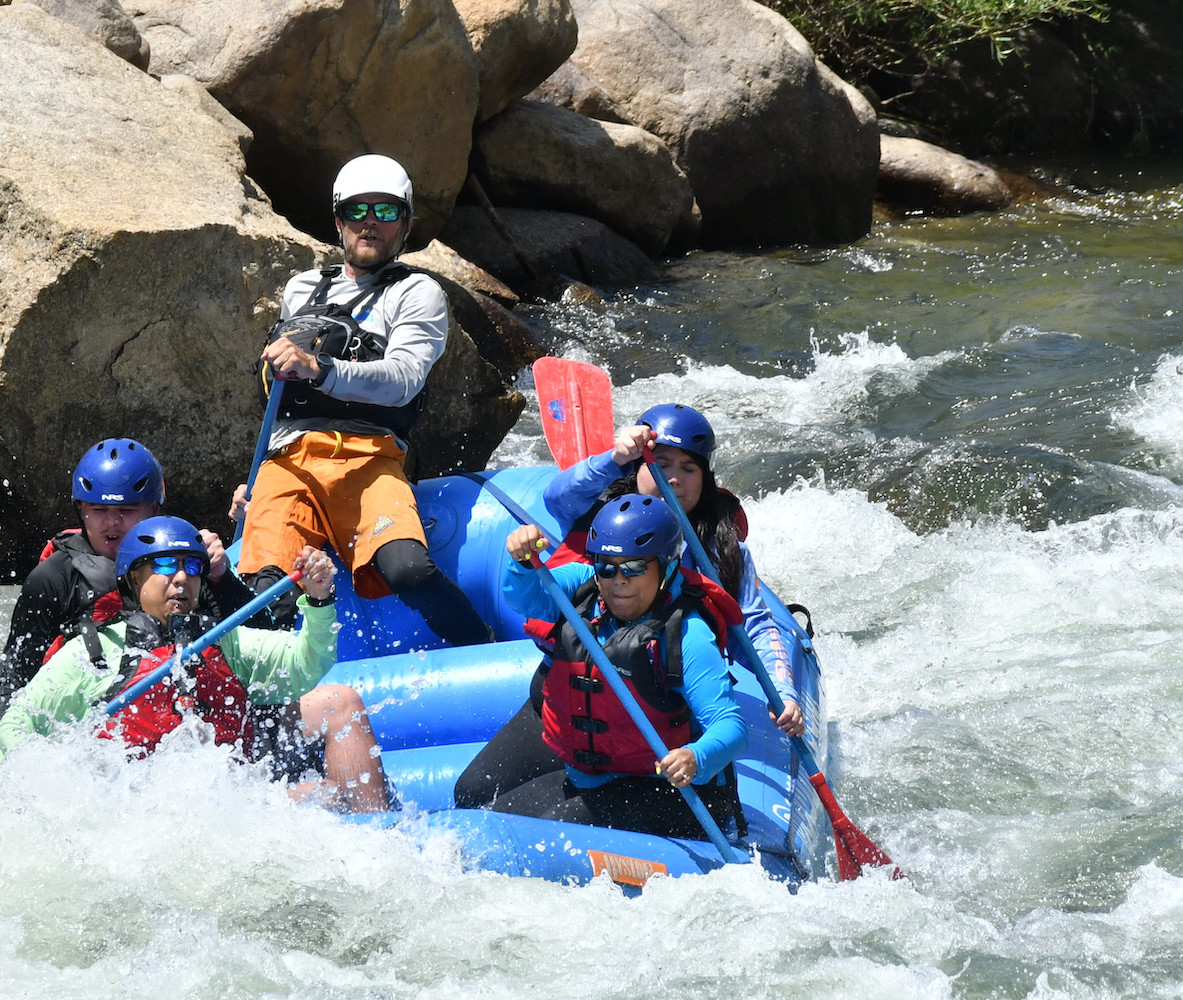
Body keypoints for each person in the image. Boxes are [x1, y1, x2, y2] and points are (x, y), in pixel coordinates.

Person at [232, 153, 492, 646]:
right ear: (339, 221)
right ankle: (270, 706)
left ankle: (490, 653)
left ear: (406, 225)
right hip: (289, 461)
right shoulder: (302, 288)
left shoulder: (418, 292)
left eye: (386, 212)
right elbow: (278, 397)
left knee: (409, 571)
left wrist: (320, 367)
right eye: (358, 211)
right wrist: (251, 483)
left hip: (370, 457)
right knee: (265, 598)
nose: (370, 223)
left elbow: (404, 378)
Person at [0, 515, 391, 813]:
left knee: (340, 706)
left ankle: (377, 848)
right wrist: (60, 784)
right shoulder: (96, 652)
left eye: (193, 567)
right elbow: (17, 722)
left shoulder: (223, 639)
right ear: (134, 580)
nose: (182, 579)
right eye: (165, 567)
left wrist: (319, 600)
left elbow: (305, 664)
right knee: (311, 795)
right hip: (144, 808)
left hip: (233, 793)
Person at [450, 496, 747, 839]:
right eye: (606, 566)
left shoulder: (688, 635)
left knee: (546, 832)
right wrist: (521, 561)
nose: (618, 580)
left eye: (634, 568)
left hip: (669, 792)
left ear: (666, 567)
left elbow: (732, 727)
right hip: (593, 776)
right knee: (476, 807)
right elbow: (527, 598)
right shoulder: (583, 587)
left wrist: (695, 757)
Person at [543, 404, 806, 737]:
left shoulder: (718, 549)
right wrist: (613, 459)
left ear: (705, 479)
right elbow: (555, 498)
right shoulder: (601, 519)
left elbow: (752, 625)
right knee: (474, 788)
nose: (674, 479)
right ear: (637, 469)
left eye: (688, 468)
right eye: (661, 465)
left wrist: (782, 691)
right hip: (575, 687)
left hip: (665, 704)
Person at [0, 438, 255, 705]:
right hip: (91, 719)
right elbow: (11, 686)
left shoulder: (186, 566)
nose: (112, 523)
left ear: (153, 510)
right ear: (81, 510)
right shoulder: (53, 578)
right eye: (99, 510)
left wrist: (221, 578)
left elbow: (257, 647)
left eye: (126, 510)